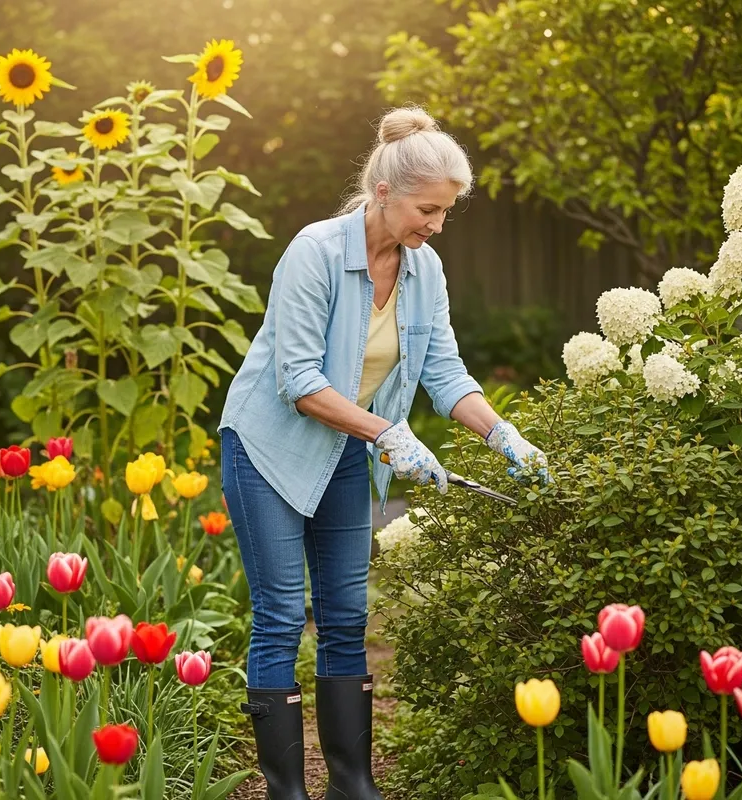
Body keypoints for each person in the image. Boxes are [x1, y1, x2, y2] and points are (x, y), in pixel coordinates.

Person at [218, 105, 549, 799]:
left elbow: (446, 373)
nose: (436, 224)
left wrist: (501, 432)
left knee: (345, 614)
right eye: (428, 208)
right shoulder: (314, 251)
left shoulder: (425, 271)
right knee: (282, 613)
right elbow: (299, 380)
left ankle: (352, 784)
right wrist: (388, 432)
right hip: (269, 449)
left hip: (343, 448)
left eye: (445, 212)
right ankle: (286, 791)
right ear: (385, 194)